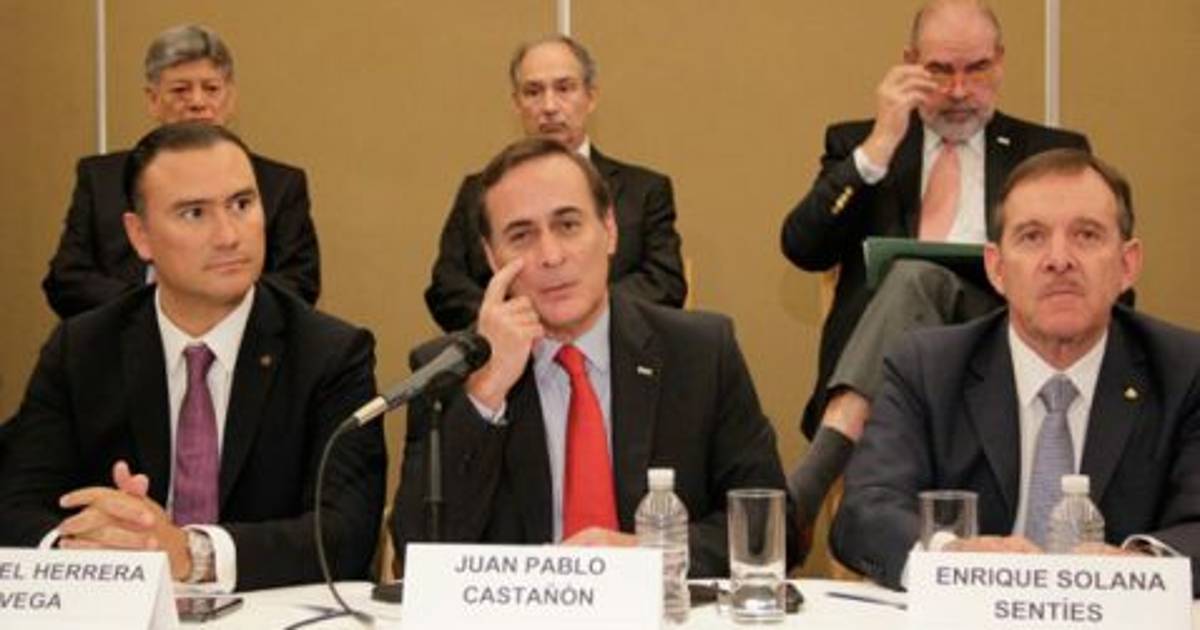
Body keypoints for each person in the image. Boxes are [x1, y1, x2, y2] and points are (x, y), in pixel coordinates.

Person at [0, 123, 385, 592]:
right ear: (140, 235)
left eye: (241, 204)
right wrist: (88, 547)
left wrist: (189, 552)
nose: (228, 235)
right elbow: (15, 506)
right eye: (194, 213)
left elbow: (346, 534)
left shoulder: (331, 354)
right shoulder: (81, 349)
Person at [392, 137, 796, 576]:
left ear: (610, 230)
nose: (551, 256)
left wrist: (646, 556)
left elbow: (772, 531)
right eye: (521, 236)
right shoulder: (448, 372)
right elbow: (417, 555)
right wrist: (486, 393)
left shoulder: (700, 353)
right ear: (492, 258)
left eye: (568, 225)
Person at [831, 149, 1200, 595]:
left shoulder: (1185, 371)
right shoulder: (928, 368)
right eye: (1032, 237)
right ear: (996, 268)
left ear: (1127, 264)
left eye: (1086, 235)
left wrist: (1142, 567)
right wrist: (951, 558)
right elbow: (866, 512)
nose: (1059, 259)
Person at [780, 0, 1089, 447]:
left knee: (916, 277)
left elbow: (1095, 272)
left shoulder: (1048, 154)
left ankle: (830, 452)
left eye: (977, 69)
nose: (959, 90)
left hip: (1003, 352)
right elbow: (804, 248)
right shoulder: (861, 145)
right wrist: (878, 148)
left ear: (1000, 61)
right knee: (911, 282)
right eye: (940, 71)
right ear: (910, 64)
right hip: (887, 368)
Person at [43, 24, 320, 319]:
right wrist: (160, 313)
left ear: (230, 98)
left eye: (211, 89)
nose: (197, 102)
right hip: (119, 339)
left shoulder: (280, 184)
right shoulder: (101, 179)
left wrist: (209, 310)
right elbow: (66, 281)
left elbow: (297, 284)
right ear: (153, 100)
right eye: (180, 90)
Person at [425, 35, 686, 332]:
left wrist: (579, 314)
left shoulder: (644, 190)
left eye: (564, 88)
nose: (549, 106)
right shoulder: (480, 192)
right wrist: (520, 321)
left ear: (591, 97)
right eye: (533, 92)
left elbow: (664, 282)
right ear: (516, 103)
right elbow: (447, 288)